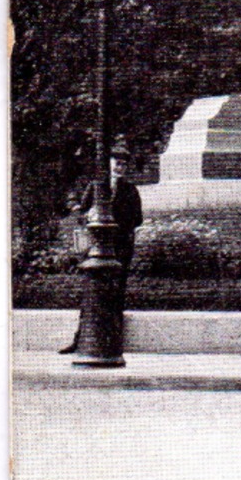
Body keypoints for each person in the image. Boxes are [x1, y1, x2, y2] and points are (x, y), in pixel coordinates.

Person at [59, 139, 144, 355]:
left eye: (123, 165)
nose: (119, 168)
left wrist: (112, 223)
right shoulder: (96, 186)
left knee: (116, 295)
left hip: (120, 249)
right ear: (108, 165)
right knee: (91, 294)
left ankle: (113, 341)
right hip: (96, 250)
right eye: (116, 163)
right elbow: (83, 212)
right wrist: (87, 214)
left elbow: (138, 219)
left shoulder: (131, 190)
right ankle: (81, 340)